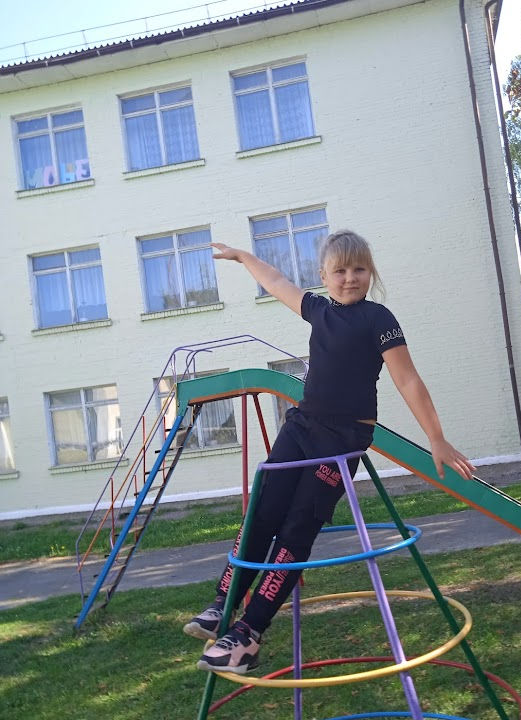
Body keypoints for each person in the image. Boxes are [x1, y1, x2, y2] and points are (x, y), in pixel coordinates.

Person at [183, 230, 474, 674]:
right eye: (340, 270)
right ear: (323, 275)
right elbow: (277, 281)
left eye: (359, 269)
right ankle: (223, 603)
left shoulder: (379, 319)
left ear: (370, 273)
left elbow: (407, 378)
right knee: (262, 512)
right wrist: (243, 257)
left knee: (296, 530)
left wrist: (436, 437)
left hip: (342, 440)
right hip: (301, 428)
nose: (350, 278)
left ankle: (248, 634)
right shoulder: (317, 310)